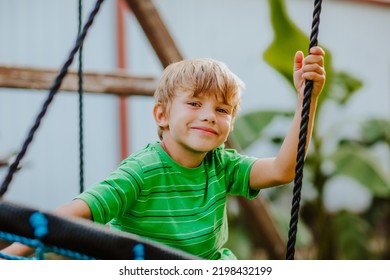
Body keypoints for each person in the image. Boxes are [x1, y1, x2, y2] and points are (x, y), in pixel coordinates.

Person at [1, 47, 325, 260]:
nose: (210, 115)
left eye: (222, 109)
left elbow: (284, 170)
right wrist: (15, 254)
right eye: (195, 103)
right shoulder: (142, 171)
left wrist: (304, 101)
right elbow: (76, 211)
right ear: (161, 116)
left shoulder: (222, 165)